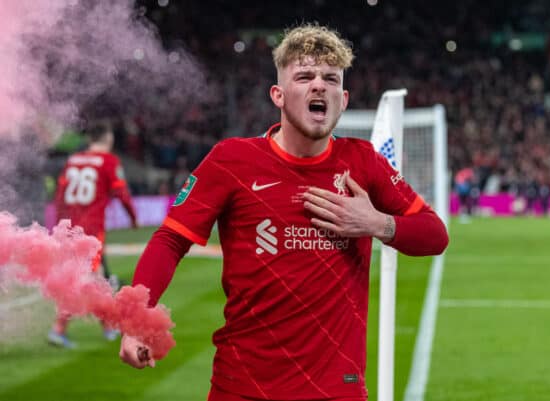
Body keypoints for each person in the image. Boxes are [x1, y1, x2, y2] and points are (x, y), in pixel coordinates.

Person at [119, 24, 448, 401]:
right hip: (241, 387)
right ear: (278, 94)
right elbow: (170, 239)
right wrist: (135, 321)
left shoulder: (364, 163)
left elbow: (435, 234)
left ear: (343, 97)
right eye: (304, 76)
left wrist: (376, 223)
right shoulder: (232, 160)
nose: (319, 85)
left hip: (335, 390)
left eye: (330, 78)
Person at [48, 120, 138, 348]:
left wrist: (59, 226)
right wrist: (134, 218)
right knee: (88, 280)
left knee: (88, 277)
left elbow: (59, 195)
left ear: (89, 140)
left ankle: (107, 327)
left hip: (67, 227)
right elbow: (122, 194)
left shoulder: (72, 161)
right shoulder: (109, 161)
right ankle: (59, 329)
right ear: (109, 140)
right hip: (90, 230)